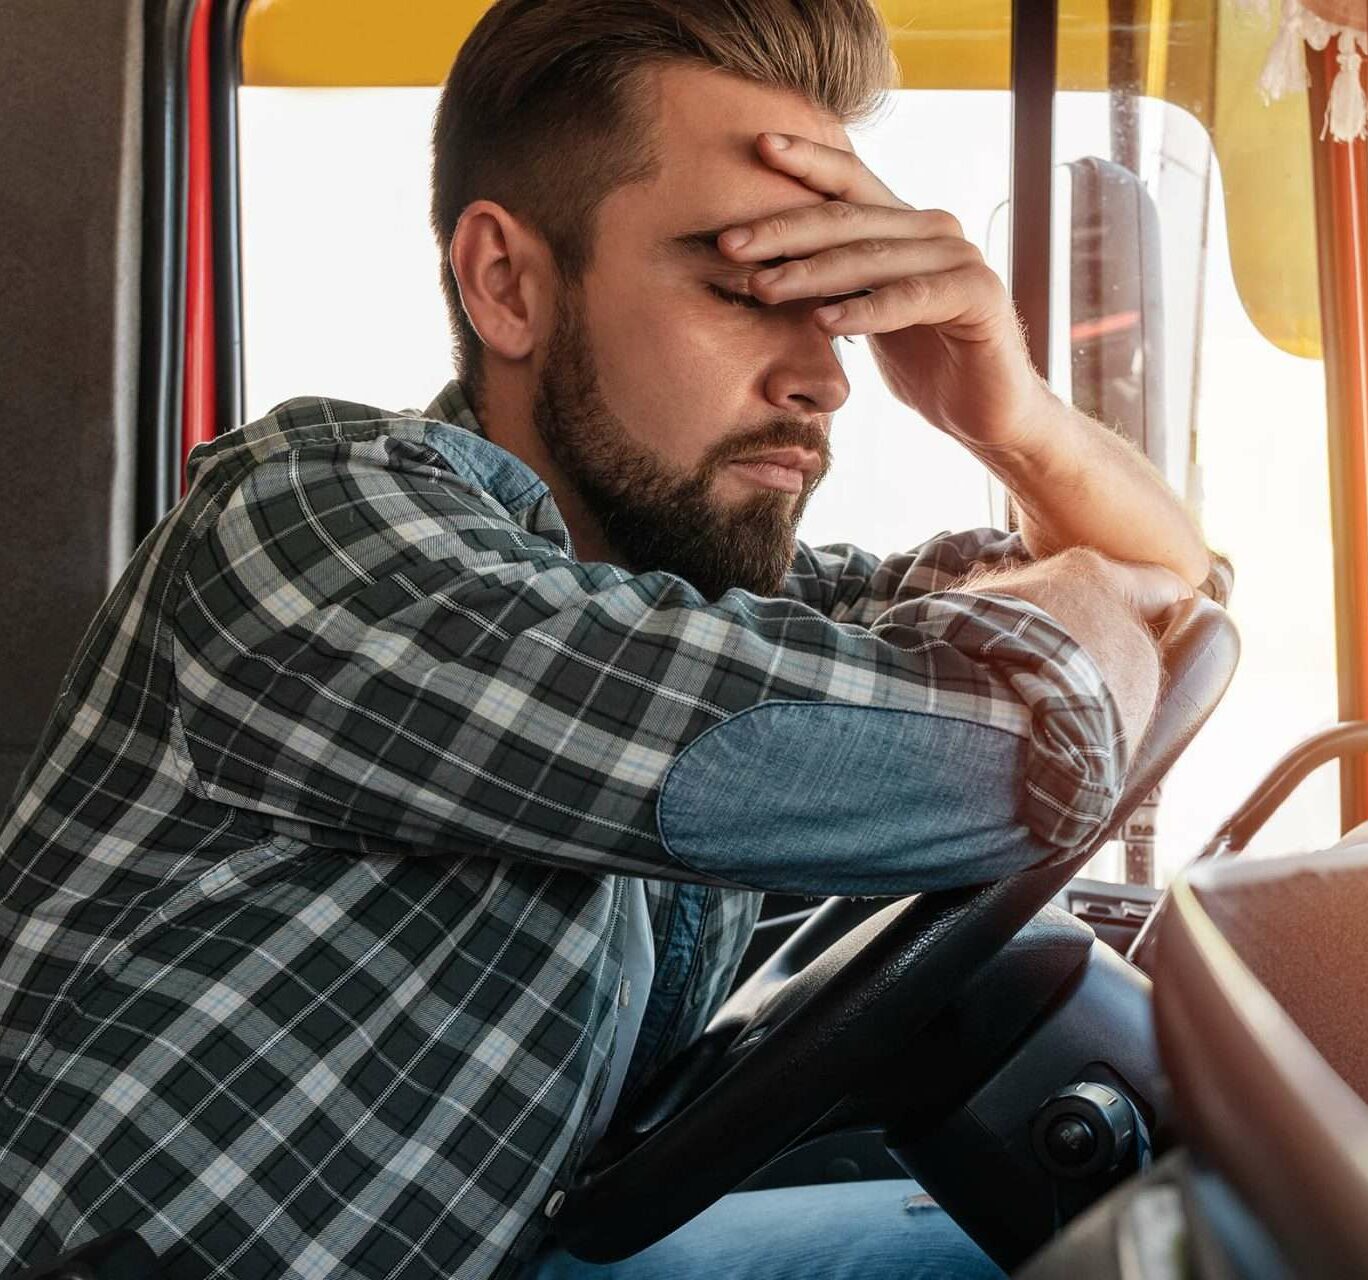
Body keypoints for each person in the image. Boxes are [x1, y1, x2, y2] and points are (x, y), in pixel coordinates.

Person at [0, 1, 1211, 1276]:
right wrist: (1070, 643)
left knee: (1140, 1239)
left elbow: (1161, 592)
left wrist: (1011, 414)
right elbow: (1005, 747)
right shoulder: (314, 533)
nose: (831, 373)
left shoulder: (660, 597)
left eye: (840, 295)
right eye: (754, 285)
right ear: (508, 284)